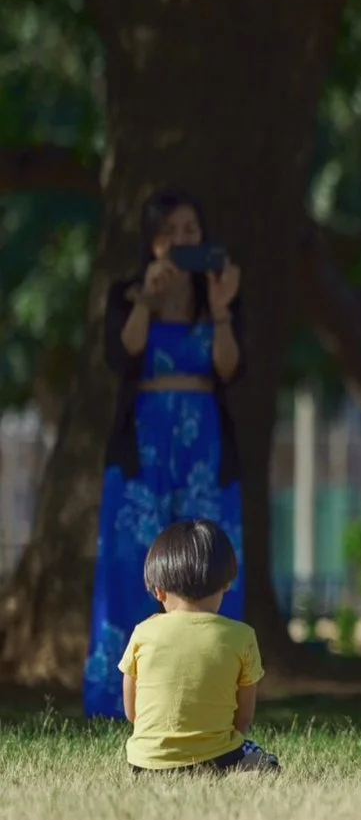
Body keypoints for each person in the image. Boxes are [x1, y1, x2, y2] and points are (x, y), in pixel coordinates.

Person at [90, 189, 246, 718]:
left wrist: (222, 310)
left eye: (190, 231)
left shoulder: (218, 294)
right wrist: (147, 302)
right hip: (143, 445)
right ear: (152, 242)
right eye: (170, 232)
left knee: (212, 561)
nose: (182, 241)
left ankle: (217, 693)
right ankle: (122, 700)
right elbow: (123, 354)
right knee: (132, 562)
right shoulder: (127, 293)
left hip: (203, 444)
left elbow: (230, 369)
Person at [120, 521, 278, 776]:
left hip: (145, 765)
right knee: (266, 763)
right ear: (227, 583)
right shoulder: (242, 636)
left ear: (159, 591)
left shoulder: (143, 633)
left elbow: (131, 712)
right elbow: (244, 720)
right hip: (218, 759)